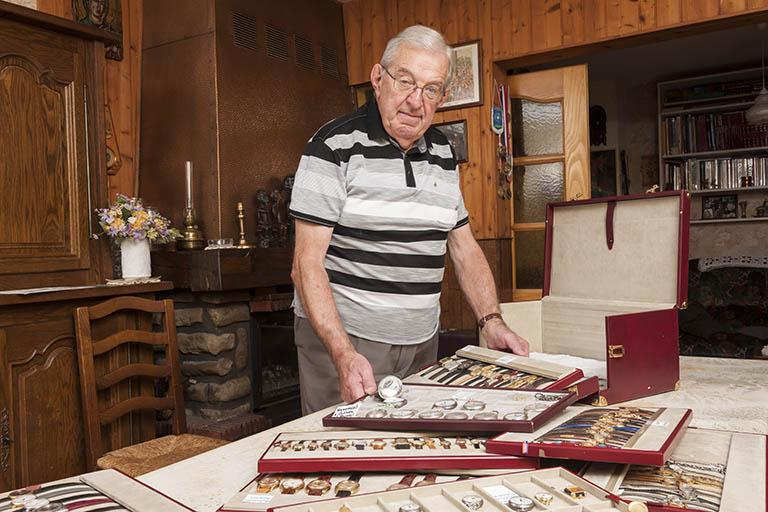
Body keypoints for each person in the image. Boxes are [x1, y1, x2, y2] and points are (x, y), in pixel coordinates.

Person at [289, 25, 530, 414]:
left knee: (411, 443)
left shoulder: (443, 152)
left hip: (422, 343)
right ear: (378, 79)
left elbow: (464, 248)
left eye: (431, 89)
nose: (416, 101)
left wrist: (491, 321)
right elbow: (306, 264)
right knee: (344, 447)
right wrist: (343, 353)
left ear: (443, 97)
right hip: (347, 344)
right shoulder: (332, 147)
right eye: (405, 81)